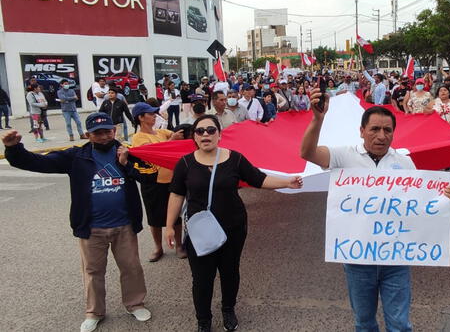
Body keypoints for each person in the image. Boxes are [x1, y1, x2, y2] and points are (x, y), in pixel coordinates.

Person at [300, 90, 450, 332]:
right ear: (361, 131)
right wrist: (317, 119)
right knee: (364, 323)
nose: (381, 136)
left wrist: (444, 195)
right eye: (374, 129)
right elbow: (307, 153)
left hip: (396, 258)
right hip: (357, 259)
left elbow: (418, 202)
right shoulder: (344, 155)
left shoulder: (404, 162)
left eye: (387, 130)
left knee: (400, 324)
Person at [2, 113, 155, 332]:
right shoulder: (76, 156)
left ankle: (135, 303)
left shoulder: (127, 152)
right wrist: (14, 149)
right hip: (92, 227)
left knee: (131, 268)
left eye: (107, 131)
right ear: (87, 135)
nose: (103, 137)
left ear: (115, 131)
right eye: (97, 133)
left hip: (124, 225)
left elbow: (151, 174)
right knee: (93, 272)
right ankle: (94, 311)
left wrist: (126, 164)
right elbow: (39, 162)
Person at [166, 115, 302, 332]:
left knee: (230, 272)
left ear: (220, 134)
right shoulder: (185, 163)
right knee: (202, 278)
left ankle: (228, 309)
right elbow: (176, 195)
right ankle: (204, 320)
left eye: (211, 130)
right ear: (194, 136)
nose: (206, 135)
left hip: (233, 228)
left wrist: (288, 182)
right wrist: (169, 226)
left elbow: (259, 179)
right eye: (200, 131)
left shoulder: (235, 159)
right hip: (200, 230)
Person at [132, 102, 186, 262]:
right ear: (140, 118)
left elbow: (177, 135)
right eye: (150, 113)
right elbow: (154, 153)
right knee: (154, 218)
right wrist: (172, 141)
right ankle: (158, 247)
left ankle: (179, 245)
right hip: (152, 181)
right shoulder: (138, 137)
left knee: (175, 216)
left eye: (155, 113)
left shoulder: (161, 132)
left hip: (171, 179)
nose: (154, 115)